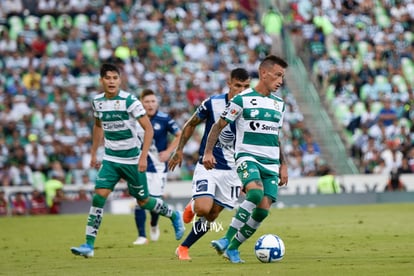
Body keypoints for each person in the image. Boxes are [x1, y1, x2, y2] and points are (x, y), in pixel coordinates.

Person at [70, 63, 184, 258]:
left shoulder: (130, 101)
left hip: (132, 159)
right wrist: (93, 153)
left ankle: (173, 215)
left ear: (120, 80)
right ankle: (89, 246)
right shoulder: (97, 101)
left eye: (115, 78)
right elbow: (98, 127)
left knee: (144, 201)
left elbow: (148, 129)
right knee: (98, 197)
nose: (112, 81)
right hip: (111, 159)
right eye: (108, 78)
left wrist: (142, 157)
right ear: (101, 81)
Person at [203, 55, 289, 263]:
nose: (280, 81)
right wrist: (208, 152)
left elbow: (275, 136)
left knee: (263, 211)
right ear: (263, 73)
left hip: (271, 162)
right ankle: (225, 238)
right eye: (277, 75)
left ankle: (233, 248)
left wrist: (283, 165)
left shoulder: (279, 104)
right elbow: (218, 125)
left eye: (282, 77)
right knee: (256, 193)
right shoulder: (241, 99)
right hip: (247, 157)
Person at [168, 68, 251, 260]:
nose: (241, 90)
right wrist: (179, 149)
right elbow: (191, 124)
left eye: (246, 86)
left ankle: (184, 247)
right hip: (209, 165)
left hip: (233, 172)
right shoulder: (213, 103)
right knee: (203, 208)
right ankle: (192, 206)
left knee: (212, 215)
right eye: (238, 85)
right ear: (229, 83)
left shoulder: (252, 108)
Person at [133, 88, 182, 245]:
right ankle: (142, 236)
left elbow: (180, 135)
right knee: (140, 199)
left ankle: (154, 225)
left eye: (153, 101)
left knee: (154, 201)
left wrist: (168, 151)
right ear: (141, 103)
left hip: (158, 167)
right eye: (147, 101)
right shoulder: (135, 119)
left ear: (157, 103)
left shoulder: (164, 119)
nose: (150, 104)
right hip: (140, 165)